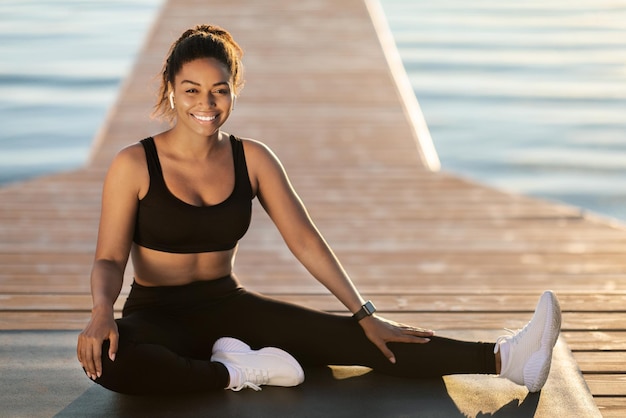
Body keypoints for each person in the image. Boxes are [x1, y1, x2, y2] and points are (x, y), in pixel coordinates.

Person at [76, 24, 561, 395]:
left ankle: (508, 360)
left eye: (219, 89)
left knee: (366, 340)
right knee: (107, 358)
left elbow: (304, 240)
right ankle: (234, 370)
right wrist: (102, 312)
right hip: (156, 313)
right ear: (170, 89)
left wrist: (364, 312)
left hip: (228, 305)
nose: (207, 103)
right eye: (191, 90)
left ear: (233, 88)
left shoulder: (254, 158)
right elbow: (109, 258)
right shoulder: (135, 163)